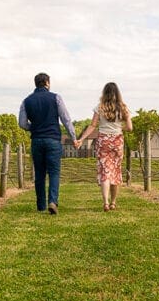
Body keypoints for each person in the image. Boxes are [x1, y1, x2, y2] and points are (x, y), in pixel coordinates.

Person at [18, 73, 77, 214]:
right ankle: (52, 201)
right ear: (46, 83)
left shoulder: (26, 101)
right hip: (53, 140)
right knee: (54, 172)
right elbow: (66, 119)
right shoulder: (56, 97)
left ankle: (40, 205)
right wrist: (73, 137)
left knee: (39, 174)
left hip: (36, 140)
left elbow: (22, 123)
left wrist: (34, 127)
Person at [74, 82, 132, 211]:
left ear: (104, 93)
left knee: (105, 171)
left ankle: (105, 202)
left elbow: (92, 125)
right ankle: (113, 202)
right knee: (116, 171)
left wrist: (81, 139)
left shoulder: (99, 107)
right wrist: (118, 128)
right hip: (117, 141)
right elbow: (130, 127)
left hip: (103, 141)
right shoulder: (123, 108)